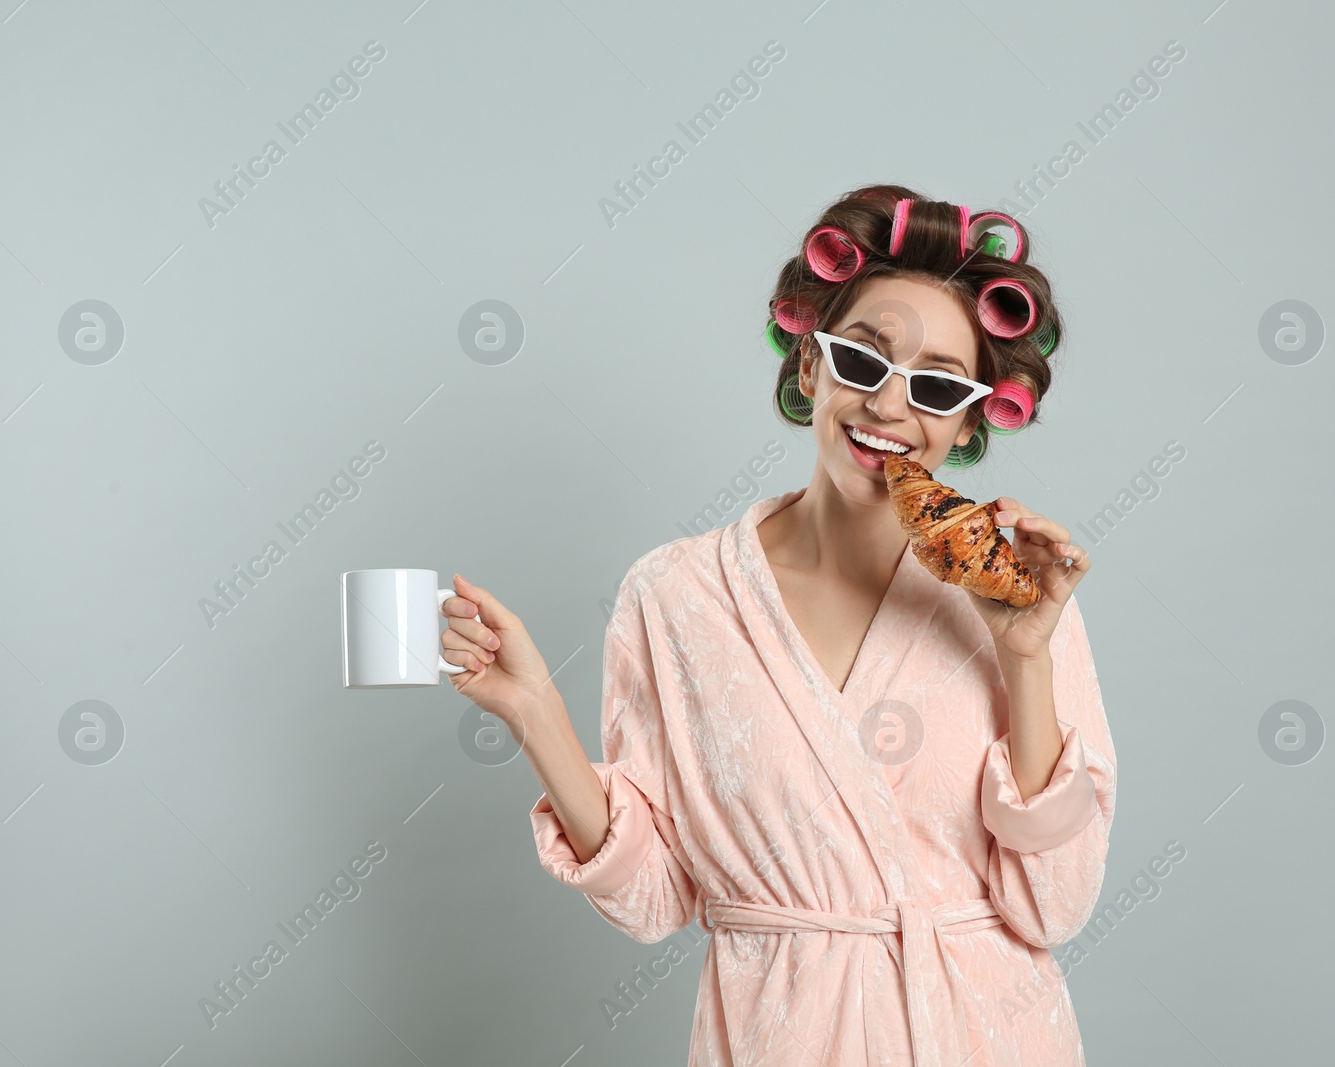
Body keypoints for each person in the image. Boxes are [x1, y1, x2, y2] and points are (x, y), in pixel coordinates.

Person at [439, 184, 1116, 1066]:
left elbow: (1054, 905)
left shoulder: (1014, 586)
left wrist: (1023, 654)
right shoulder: (678, 595)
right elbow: (653, 897)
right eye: (863, 362)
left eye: (937, 384)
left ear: (965, 416)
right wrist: (537, 716)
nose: (889, 406)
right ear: (810, 369)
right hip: (783, 1035)